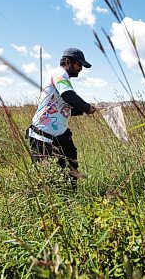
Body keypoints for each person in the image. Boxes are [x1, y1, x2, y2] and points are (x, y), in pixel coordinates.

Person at [27, 48, 97, 188]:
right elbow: (69, 97)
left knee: (72, 166)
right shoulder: (59, 75)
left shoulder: (62, 79)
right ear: (67, 61)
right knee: (45, 176)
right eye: (79, 64)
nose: (81, 69)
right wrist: (87, 107)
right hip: (42, 135)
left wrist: (87, 111)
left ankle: (71, 197)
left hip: (60, 135)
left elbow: (65, 108)